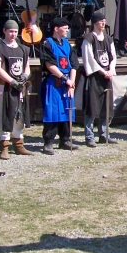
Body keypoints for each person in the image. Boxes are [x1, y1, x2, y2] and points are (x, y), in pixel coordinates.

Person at [0, 19, 34, 159]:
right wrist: (12, 81)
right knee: (5, 114)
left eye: (15, 32)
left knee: (19, 116)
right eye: (11, 31)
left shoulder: (23, 49)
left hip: (19, 87)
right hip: (5, 87)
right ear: (4, 31)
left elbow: (27, 66)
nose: (13, 34)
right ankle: (4, 147)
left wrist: (24, 77)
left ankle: (19, 144)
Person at [41, 17, 80, 154]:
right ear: (56, 28)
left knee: (67, 110)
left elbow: (74, 64)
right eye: (65, 27)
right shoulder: (47, 43)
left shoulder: (67, 44)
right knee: (52, 111)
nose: (67, 30)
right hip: (54, 82)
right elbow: (49, 64)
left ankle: (65, 139)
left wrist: (71, 83)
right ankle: (49, 141)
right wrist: (65, 79)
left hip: (67, 83)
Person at [82, 12, 118, 147]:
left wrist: (110, 71)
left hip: (106, 76)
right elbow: (89, 58)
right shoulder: (89, 39)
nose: (103, 23)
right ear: (95, 22)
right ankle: (89, 136)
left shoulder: (108, 39)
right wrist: (103, 71)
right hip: (95, 77)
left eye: (104, 21)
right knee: (92, 107)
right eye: (101, 21)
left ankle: (104, 134)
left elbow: (113, 56)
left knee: (106, 106)